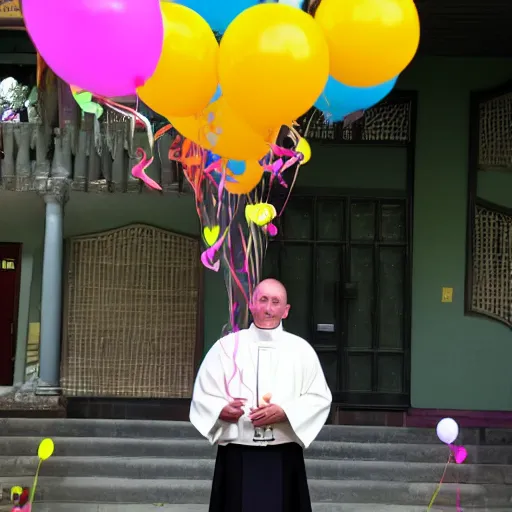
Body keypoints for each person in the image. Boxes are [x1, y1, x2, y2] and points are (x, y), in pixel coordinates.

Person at [190, 278, 332, 512]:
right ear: (252, 304)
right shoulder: (226, 347)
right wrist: (221, 410)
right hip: (238, 452)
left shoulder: (301, 350)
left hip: (284, 453)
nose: (268, 308)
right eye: (263, 300)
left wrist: (285, 412)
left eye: (276, 302)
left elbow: (319, 397)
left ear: (285, 311)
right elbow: (204, 393)